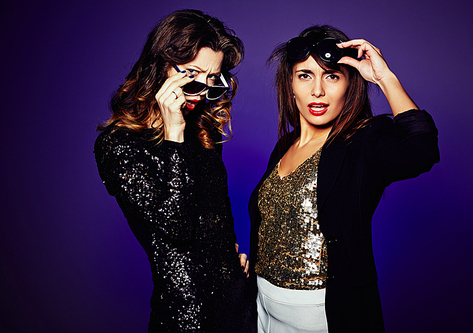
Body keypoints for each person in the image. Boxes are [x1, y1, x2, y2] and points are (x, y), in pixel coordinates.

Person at [248, 25, 439, 332]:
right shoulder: (285, 145)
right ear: (291, 84)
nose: (318, 90)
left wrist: (384, 79)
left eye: (332, 76)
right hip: (263, 305)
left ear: (351, 83)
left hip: (321, 311)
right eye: (305, 75)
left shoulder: (362, 141)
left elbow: (422, 150)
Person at [94, 9, 255, 332]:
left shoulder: (203, 130)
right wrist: (174, 134)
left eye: (212, 78)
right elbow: (176, 226)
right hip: (187, 316)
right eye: (192, 73)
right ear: (161, 65)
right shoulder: (119, 145)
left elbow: (217, 214)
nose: (203, 89)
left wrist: (227, 260)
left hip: (240, 304)